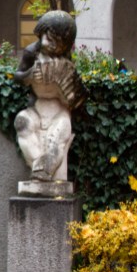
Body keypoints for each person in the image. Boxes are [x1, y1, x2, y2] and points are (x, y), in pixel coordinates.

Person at [13, 10, 86, 182]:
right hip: (36, 107)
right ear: (41, 32)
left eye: (57, 42)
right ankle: (38, 165)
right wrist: (30, 75)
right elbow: (18, 77)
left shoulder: (66, 59)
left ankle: (47, 166)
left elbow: (76, 94)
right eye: (48, 38)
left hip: (59, 110)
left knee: (57, 138)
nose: (50, 44)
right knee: (22, 123)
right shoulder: (31, 52)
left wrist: (66, 90)